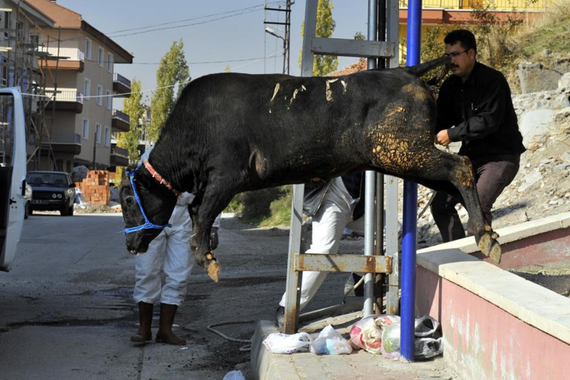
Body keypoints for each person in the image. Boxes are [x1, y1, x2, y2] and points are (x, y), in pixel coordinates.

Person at [431, 29, 526, 242]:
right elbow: (441, 119)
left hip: (500, 157)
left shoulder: (493, 81)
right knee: (440, 205)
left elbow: (488, 122)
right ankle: (457, 254)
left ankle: (478, 262)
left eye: (455, 55)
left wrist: (452, 134)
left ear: (471, 54)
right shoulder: (450, 86)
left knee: (478, 209)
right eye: (447, 56)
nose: (450, 61)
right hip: (471, 157)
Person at [130, 149, 221, 345]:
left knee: (179, 274)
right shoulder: (152, 154)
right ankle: (144, 329)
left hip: (184, 218)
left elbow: (213, 188)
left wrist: (213, 226)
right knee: (146, 270)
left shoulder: (201, 155)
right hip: (153, 216)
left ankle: (165, 331)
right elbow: (137, 186)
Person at [275, 173, 365, 328]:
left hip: (360, 207)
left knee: (393, 232)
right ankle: (287, 308)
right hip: (332, 200)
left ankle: (358, 278)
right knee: (323, 251)